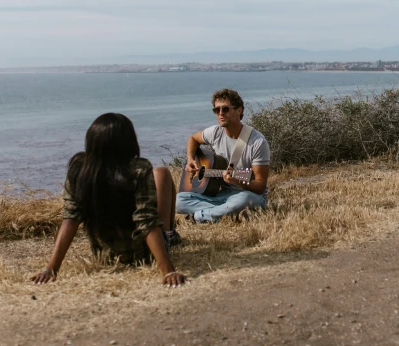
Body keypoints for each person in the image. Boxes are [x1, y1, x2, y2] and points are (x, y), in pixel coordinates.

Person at [30, 113, 187, 287]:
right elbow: (146, 221)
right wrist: (168, 270)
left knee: (159, 174)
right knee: (162, 173)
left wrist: (51, 268)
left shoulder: (80, 169)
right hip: (143, 255)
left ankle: (169, 236)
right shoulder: (138, 169)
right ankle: (170, 236)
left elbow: (71, 217)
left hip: (104, 256)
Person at [176, 88, 270, 223]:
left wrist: (237, 180)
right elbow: (193, 139)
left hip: (249, 195)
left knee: (242, 200)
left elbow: (260, 186)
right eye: (216, 110)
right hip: (224, 196)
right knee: (180, 200)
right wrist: (190, 159)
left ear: (239, 110)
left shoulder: (257, 142)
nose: (220, 113)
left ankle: (198, 216)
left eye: (225, 109)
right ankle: (225, 212)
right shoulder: (215, 132)